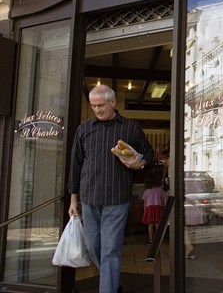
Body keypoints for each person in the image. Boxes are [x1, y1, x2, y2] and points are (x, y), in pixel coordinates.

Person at [68, 84, 154, 293]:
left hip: (117, 198)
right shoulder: (84, 129)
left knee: (110, 250)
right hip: (89, 198)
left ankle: (108, 288)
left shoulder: (131, 127)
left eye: (101, 105)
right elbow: (75, 165)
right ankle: (113, 280)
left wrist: (139, 163)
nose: (97, 110)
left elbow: (148, 155)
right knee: (92, 246)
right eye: (93, 106)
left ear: (113, 102)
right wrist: (73, 199)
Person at [142, 171, 167, 244]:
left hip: (149, 208)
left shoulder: (147, 191)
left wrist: (145, 211)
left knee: (150, 224)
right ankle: (158, 238)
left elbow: (145, 202)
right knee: (158, 224)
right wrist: (164, 207)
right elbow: (163, 200)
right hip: (158, 208)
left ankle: (150, 239)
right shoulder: (160, 190)